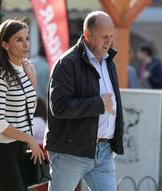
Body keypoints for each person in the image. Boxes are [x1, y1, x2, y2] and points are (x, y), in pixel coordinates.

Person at [44, 11, 124, 191]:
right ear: (87, 34)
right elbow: (59, 106)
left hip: (103, 152)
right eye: (104, 36)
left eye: (111, 36)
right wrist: (99, 104)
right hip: (70, 153)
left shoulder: (108, 62)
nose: (108, 41)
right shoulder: (67, 63)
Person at [0, 18, 45, 191]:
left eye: (26, 39)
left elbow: (28, 112)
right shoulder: (0, 76)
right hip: (1, 149)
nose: (25, 44)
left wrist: (32, 82)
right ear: (4, 44)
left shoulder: (26, 71)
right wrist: (30, 140)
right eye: (19, 39)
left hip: (19, 146)